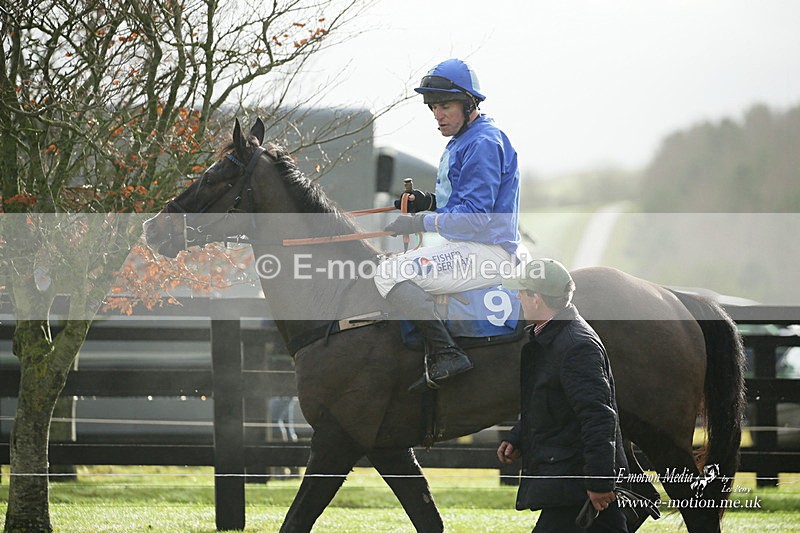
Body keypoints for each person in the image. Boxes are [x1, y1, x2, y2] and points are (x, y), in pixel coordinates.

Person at [374, 58, 522, 388]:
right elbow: (462, 201)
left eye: (445, 106)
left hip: (487, 252)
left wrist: (420, 223)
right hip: (472, 247)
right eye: (433, 107)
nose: (437, 115)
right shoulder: (466, 139)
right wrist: (427, 202)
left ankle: (446, 353)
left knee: (388, 272)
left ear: (469, 104)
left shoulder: (482, 143)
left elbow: (474, 219)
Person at [497, 258, 629, 532]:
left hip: (576, 483)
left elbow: (598, 417)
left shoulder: (576, 346)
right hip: (571, 480)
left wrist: (599, 482)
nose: (518, 296)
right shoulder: (551, 338)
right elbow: (548, 401)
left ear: (537, 298)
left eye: (522, 291)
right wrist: (519, 436)